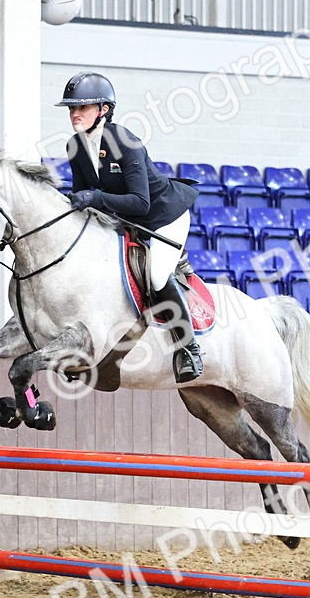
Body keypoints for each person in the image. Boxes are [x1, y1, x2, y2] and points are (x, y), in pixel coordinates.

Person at [57, 71, 203, 383]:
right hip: (124, 218)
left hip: (164, 216)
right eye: (71, 108)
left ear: (104, 110)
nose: (74, 114)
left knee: (156, 275)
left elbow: (141, 203)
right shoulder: (75, 146)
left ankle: (189, 347)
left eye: (82, 107)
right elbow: (85, 196)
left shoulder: (125, 142)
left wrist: (95, 197)